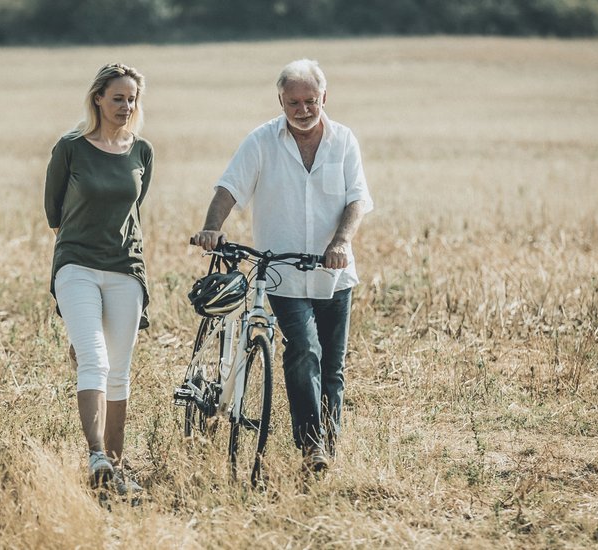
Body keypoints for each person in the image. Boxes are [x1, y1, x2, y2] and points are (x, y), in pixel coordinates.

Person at [191, 59, 372, 474]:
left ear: (324, 98)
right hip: (283, 275)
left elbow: (357, 200)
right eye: (294, 101)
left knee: (333, 366)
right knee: (304, 350)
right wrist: (211, 228)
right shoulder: (261, 141)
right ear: (281, 100)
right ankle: (312, 449)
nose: (303, 109)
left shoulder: (344, 141)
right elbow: (230, 187)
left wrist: (341, 241)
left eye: (310, 100)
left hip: (335, 273)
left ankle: (329, 440)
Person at [44, 63, 153, 495]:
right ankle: (95, 457)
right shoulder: (70, 148)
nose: (126, 106)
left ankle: (116, 469)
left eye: (132, 99)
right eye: (118, 98)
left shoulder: (141, 151)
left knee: (119, 372)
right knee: (95, 360)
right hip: (76, 264)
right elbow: (54, 212)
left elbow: (135, 209)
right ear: (97, 99)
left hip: (126, 269)